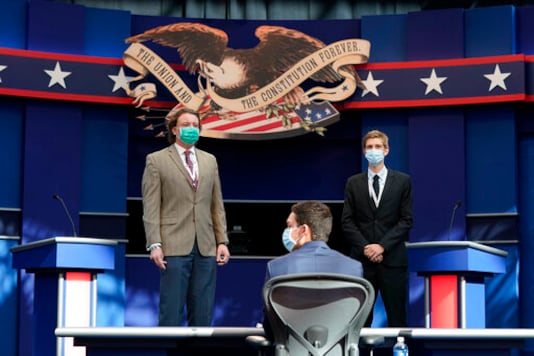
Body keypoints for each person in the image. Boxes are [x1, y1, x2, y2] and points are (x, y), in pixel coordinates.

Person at [142, 107, 230, 327]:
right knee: (171, 311)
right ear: (175, 130)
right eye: (186, 125)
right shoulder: (157, 160)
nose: (192, 129)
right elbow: (151, 206)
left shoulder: (210, 160)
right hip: (173, 245)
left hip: (206, 245)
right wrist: (154, 243)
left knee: (203, 312)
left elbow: (216, 204)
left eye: (195, 125)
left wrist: (222, 241)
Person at [342, 129, 413, 327]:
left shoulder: (402, 181)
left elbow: (406, 220)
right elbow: (347, 221)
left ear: (386, 150)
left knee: (397, 318)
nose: (374, 151)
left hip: (393, 261)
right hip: (362, 262)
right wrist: (366, 247)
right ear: (364, 151)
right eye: (370, 147)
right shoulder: (353, 183)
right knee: (360, 320)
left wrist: (381, 246)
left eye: (378, 147)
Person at [263, 200, 364, 339]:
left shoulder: (276, 267)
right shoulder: (353, 268)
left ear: (303, 230)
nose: (286, 232)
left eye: (289, 226)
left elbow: (270, 328)